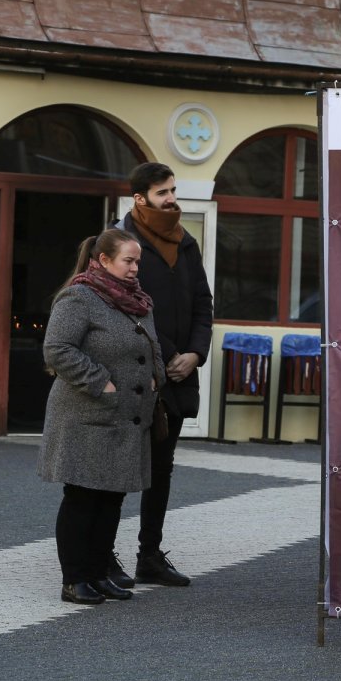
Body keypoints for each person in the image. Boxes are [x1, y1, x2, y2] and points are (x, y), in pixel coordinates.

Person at [39, 229, 166, 605]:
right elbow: (57, 348)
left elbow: (152, 346)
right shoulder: (80, 296)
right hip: (87, 415)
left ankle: (98, 573)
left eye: (138, 261)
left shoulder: (138, 301)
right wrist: (101, 382)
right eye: (128, 260)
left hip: (126, 418)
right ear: (104, 260)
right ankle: (74, 579)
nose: (135, 267)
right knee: (83, 497)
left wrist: (157, 375)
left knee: (111, 498)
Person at [118, 162, 213, 588]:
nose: (172, 199)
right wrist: (171, 353)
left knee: (161, 468)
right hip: (138, 373)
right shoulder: (121, 242)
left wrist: (195, 353)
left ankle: (149, 556)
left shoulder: (186, 242)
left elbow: (202, 303)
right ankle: (103, 557)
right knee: (118, 466)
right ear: (140, 198)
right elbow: (127, 304)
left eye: (173, 190)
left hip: (178, 375)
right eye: (162, 193)